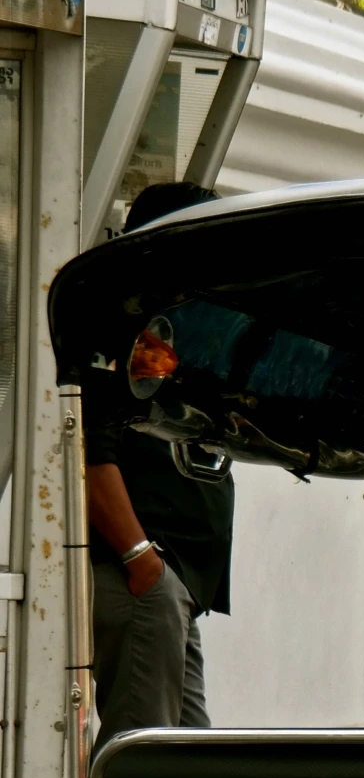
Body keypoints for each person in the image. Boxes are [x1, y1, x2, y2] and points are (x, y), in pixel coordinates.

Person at [88, 181, 231, 740]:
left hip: (170, 583)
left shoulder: (178, 332)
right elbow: (89, 449)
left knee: (189, 761)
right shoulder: (122, 330)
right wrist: (141, 559)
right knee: (143, 760)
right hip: (143, 576)